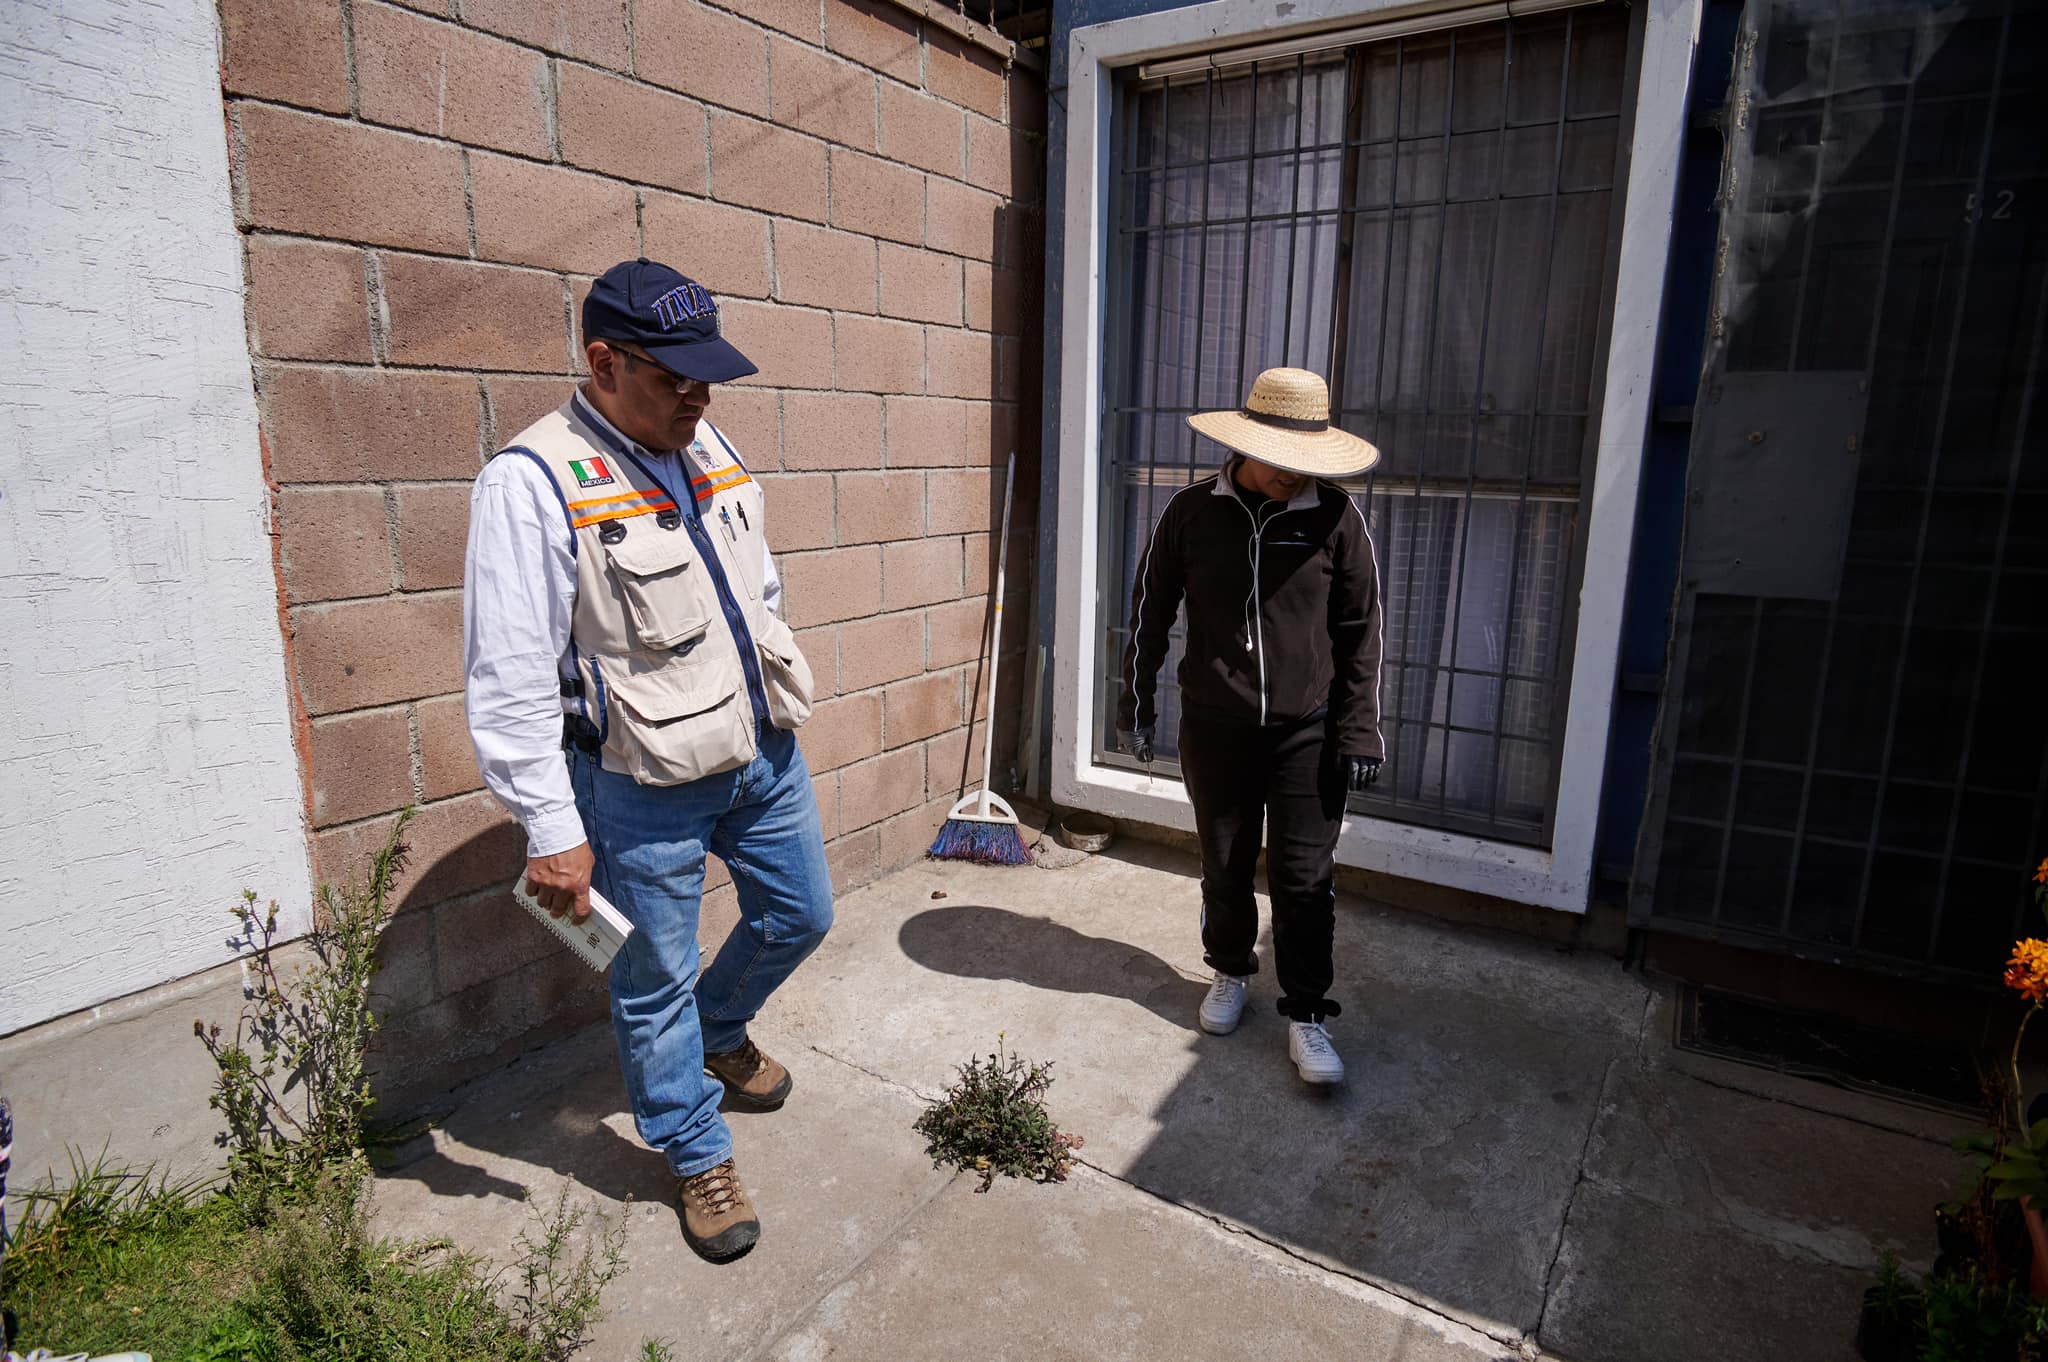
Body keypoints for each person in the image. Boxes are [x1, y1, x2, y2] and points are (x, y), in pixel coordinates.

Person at [463, 259, 832, 1263]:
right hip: (635, 785)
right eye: (674, 378)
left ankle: (720, 1031)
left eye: (705, 376)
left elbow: (753, 587)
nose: (698, 397)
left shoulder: (705, 439)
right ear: (602, 361)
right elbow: (508, 681)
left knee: (801, 912)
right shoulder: (532, 482)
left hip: (756, 750)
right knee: (648, 976)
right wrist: (553, 832)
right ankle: (692, 1147)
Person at [1115, 367, 1385, 1087]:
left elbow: (1361, 633)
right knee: (1224, 865)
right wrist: (1136, 705)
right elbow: (1150, 611)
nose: (1293, 477)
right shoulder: (1191, 513)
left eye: (1306, 465)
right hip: (1217, 727)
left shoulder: (1335, 518)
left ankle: (1306, 1014)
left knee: (1304, 878)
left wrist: (1358, 730)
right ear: (1247, 445)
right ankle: (1231, 970)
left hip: (1309, 732)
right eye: (1281, 462)